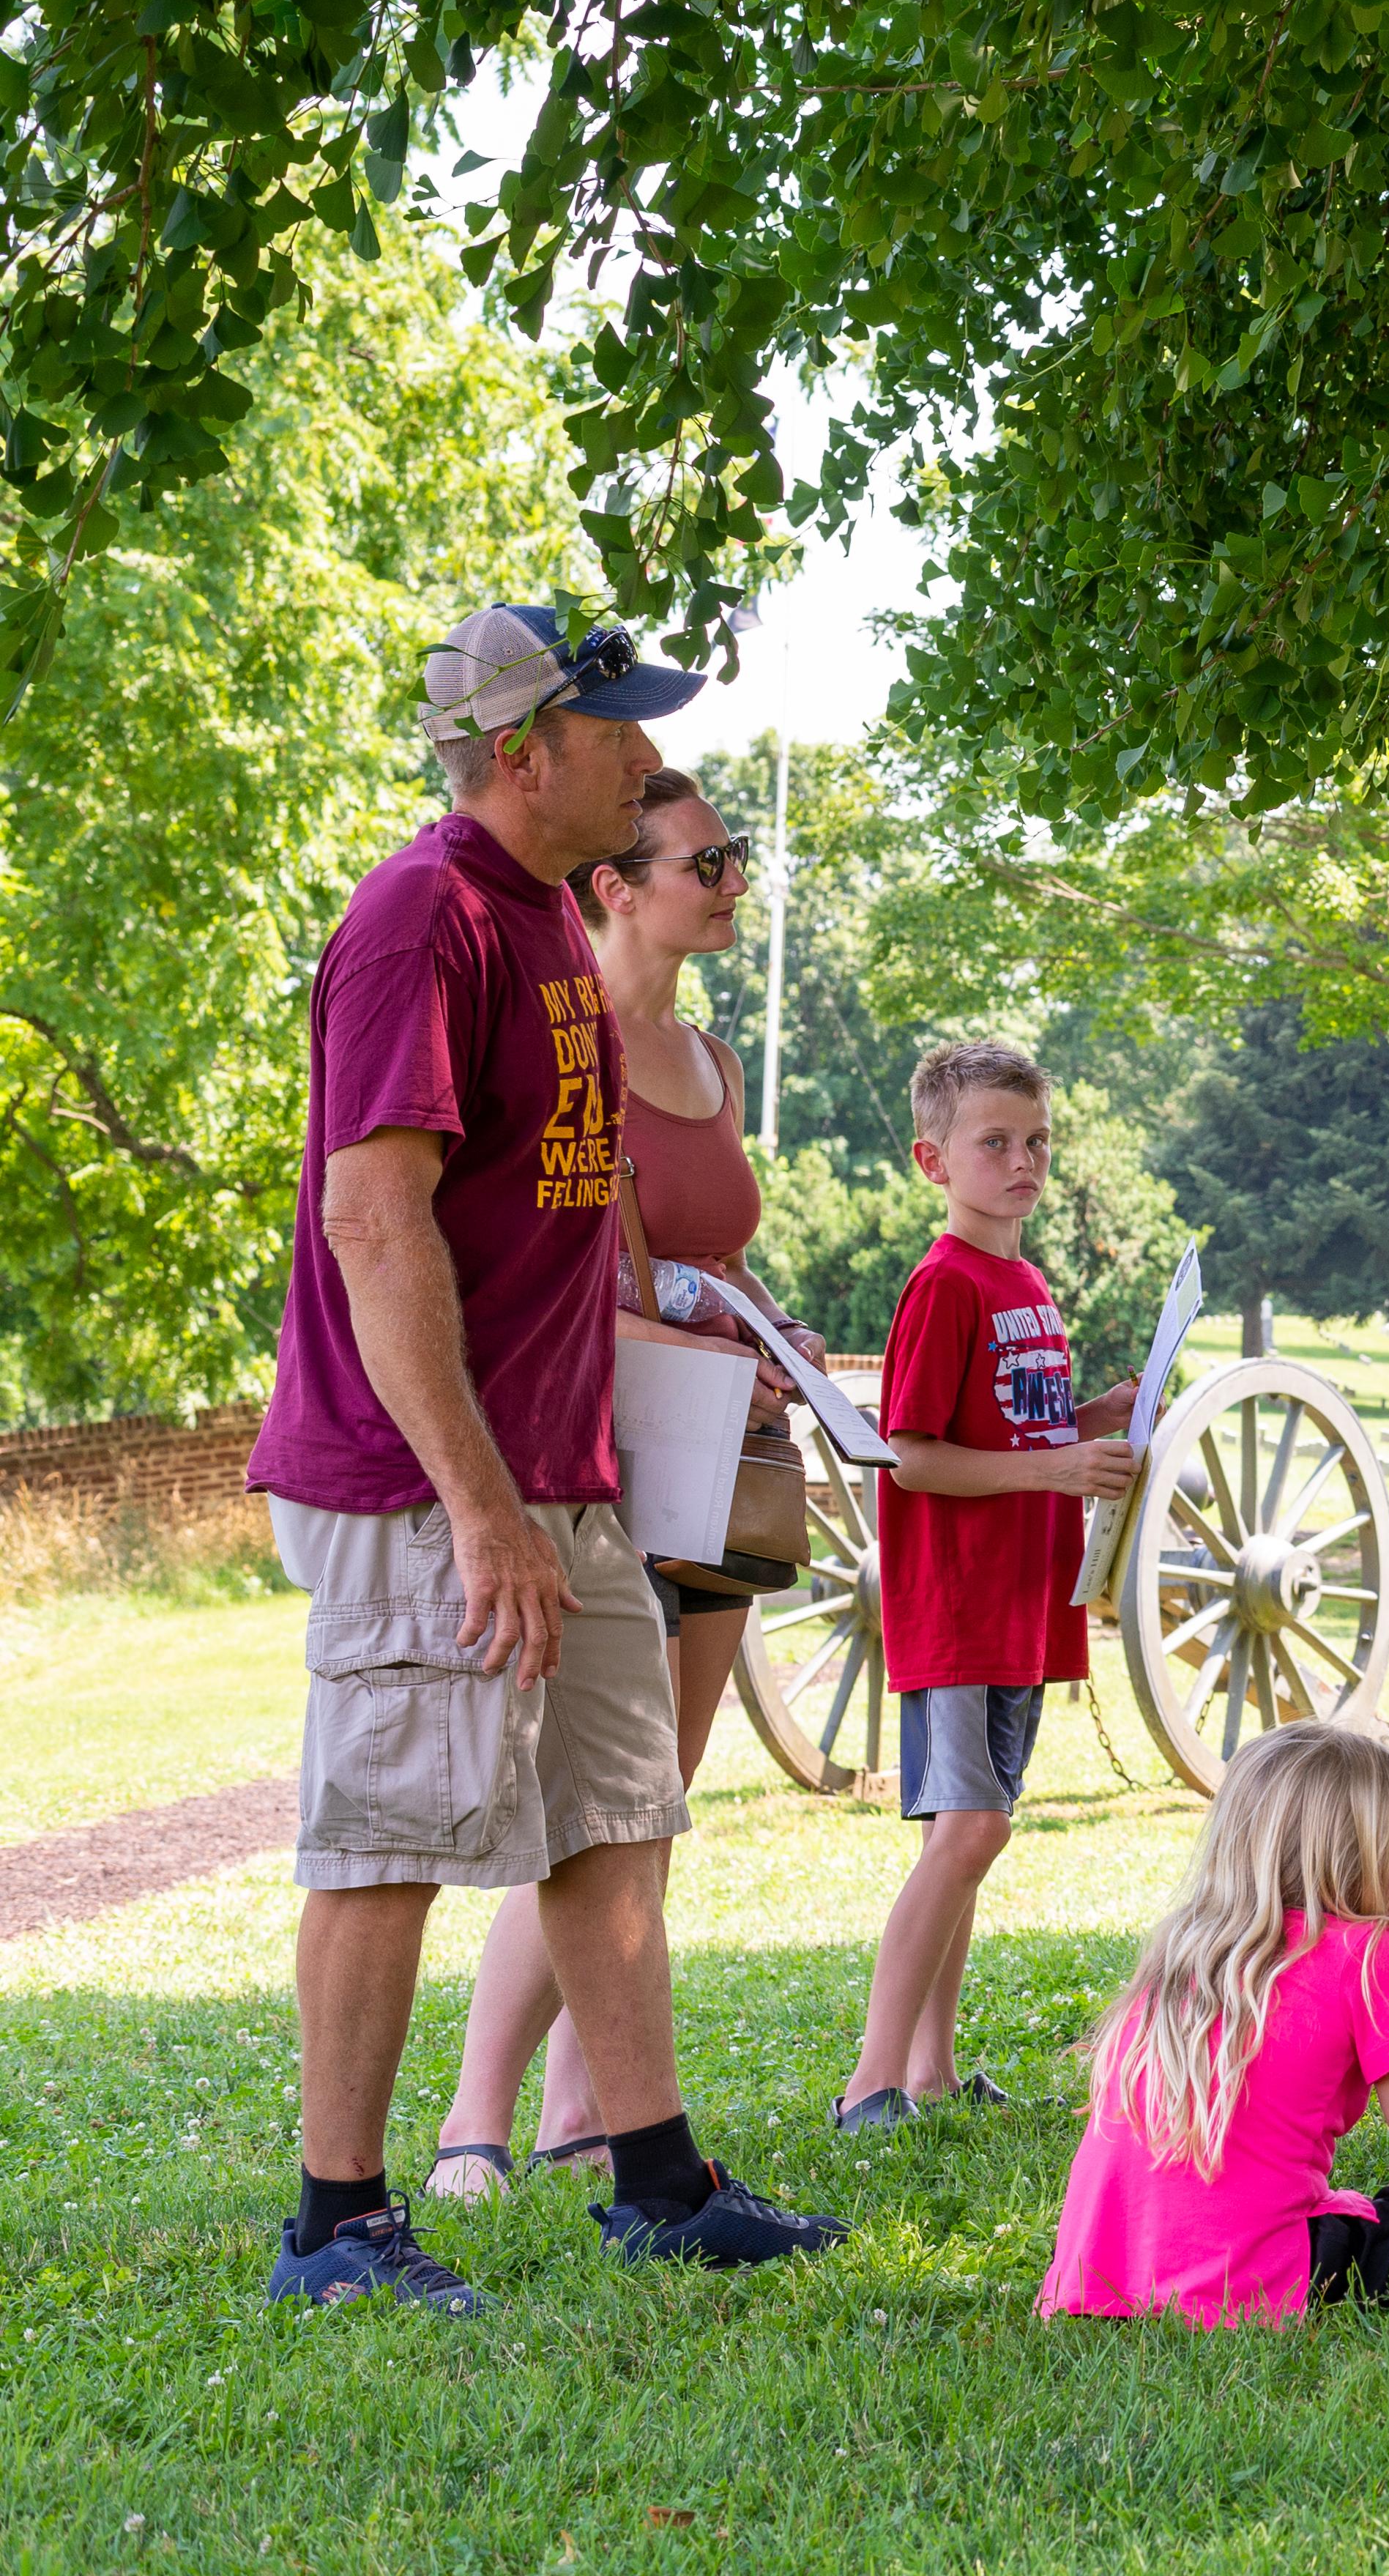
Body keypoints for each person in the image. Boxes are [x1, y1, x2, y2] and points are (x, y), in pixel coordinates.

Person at [251, 606, 848, 2314]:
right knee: (389, 1826)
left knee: (608, 1815)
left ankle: (657, 2179)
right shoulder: (417, 920)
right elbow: (375, 1222)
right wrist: (479, 1504)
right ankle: (338, 2219)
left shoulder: (542, 927)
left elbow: (561, 1223)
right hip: (423, 1485)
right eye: (621, 734)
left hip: (562, 1475)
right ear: (525, 750)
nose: (652, 765)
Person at [428, 770, 830, 2200]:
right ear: (616, 883)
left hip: (718, 1448)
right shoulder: (564, 1040)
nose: (729, 878)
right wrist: (711, 1336)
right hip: (597, 1441)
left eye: (735, 854)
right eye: (701, 859)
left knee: (653, 1798)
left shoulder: (709, 1059)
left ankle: (582, 2115)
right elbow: (552, 1289)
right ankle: (476, 2124)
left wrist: (772, 1337)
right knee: (595, 1799)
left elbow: (705, 1264)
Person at [1037, 1721, 1389, 2320]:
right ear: (1363, 1855)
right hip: (1254, 2278)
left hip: (1100, 2277)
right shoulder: (1364, 1955)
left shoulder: (1182, 1953)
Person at [834, 1038, 1141, 2126]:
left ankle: (929, 2071)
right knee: (971, 1830)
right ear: (934, 1160)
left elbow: (1015, 1424)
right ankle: (871, 2079)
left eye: (1038, 1141)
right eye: (995, 1142)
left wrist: (1098, 1419)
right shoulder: (945, 1285)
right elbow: (909, 1453)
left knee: (965, 1836)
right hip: (957, 1604)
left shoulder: (1025, 1283)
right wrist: (1061, 1465)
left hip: (1024, 1605)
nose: (1023, 1161)